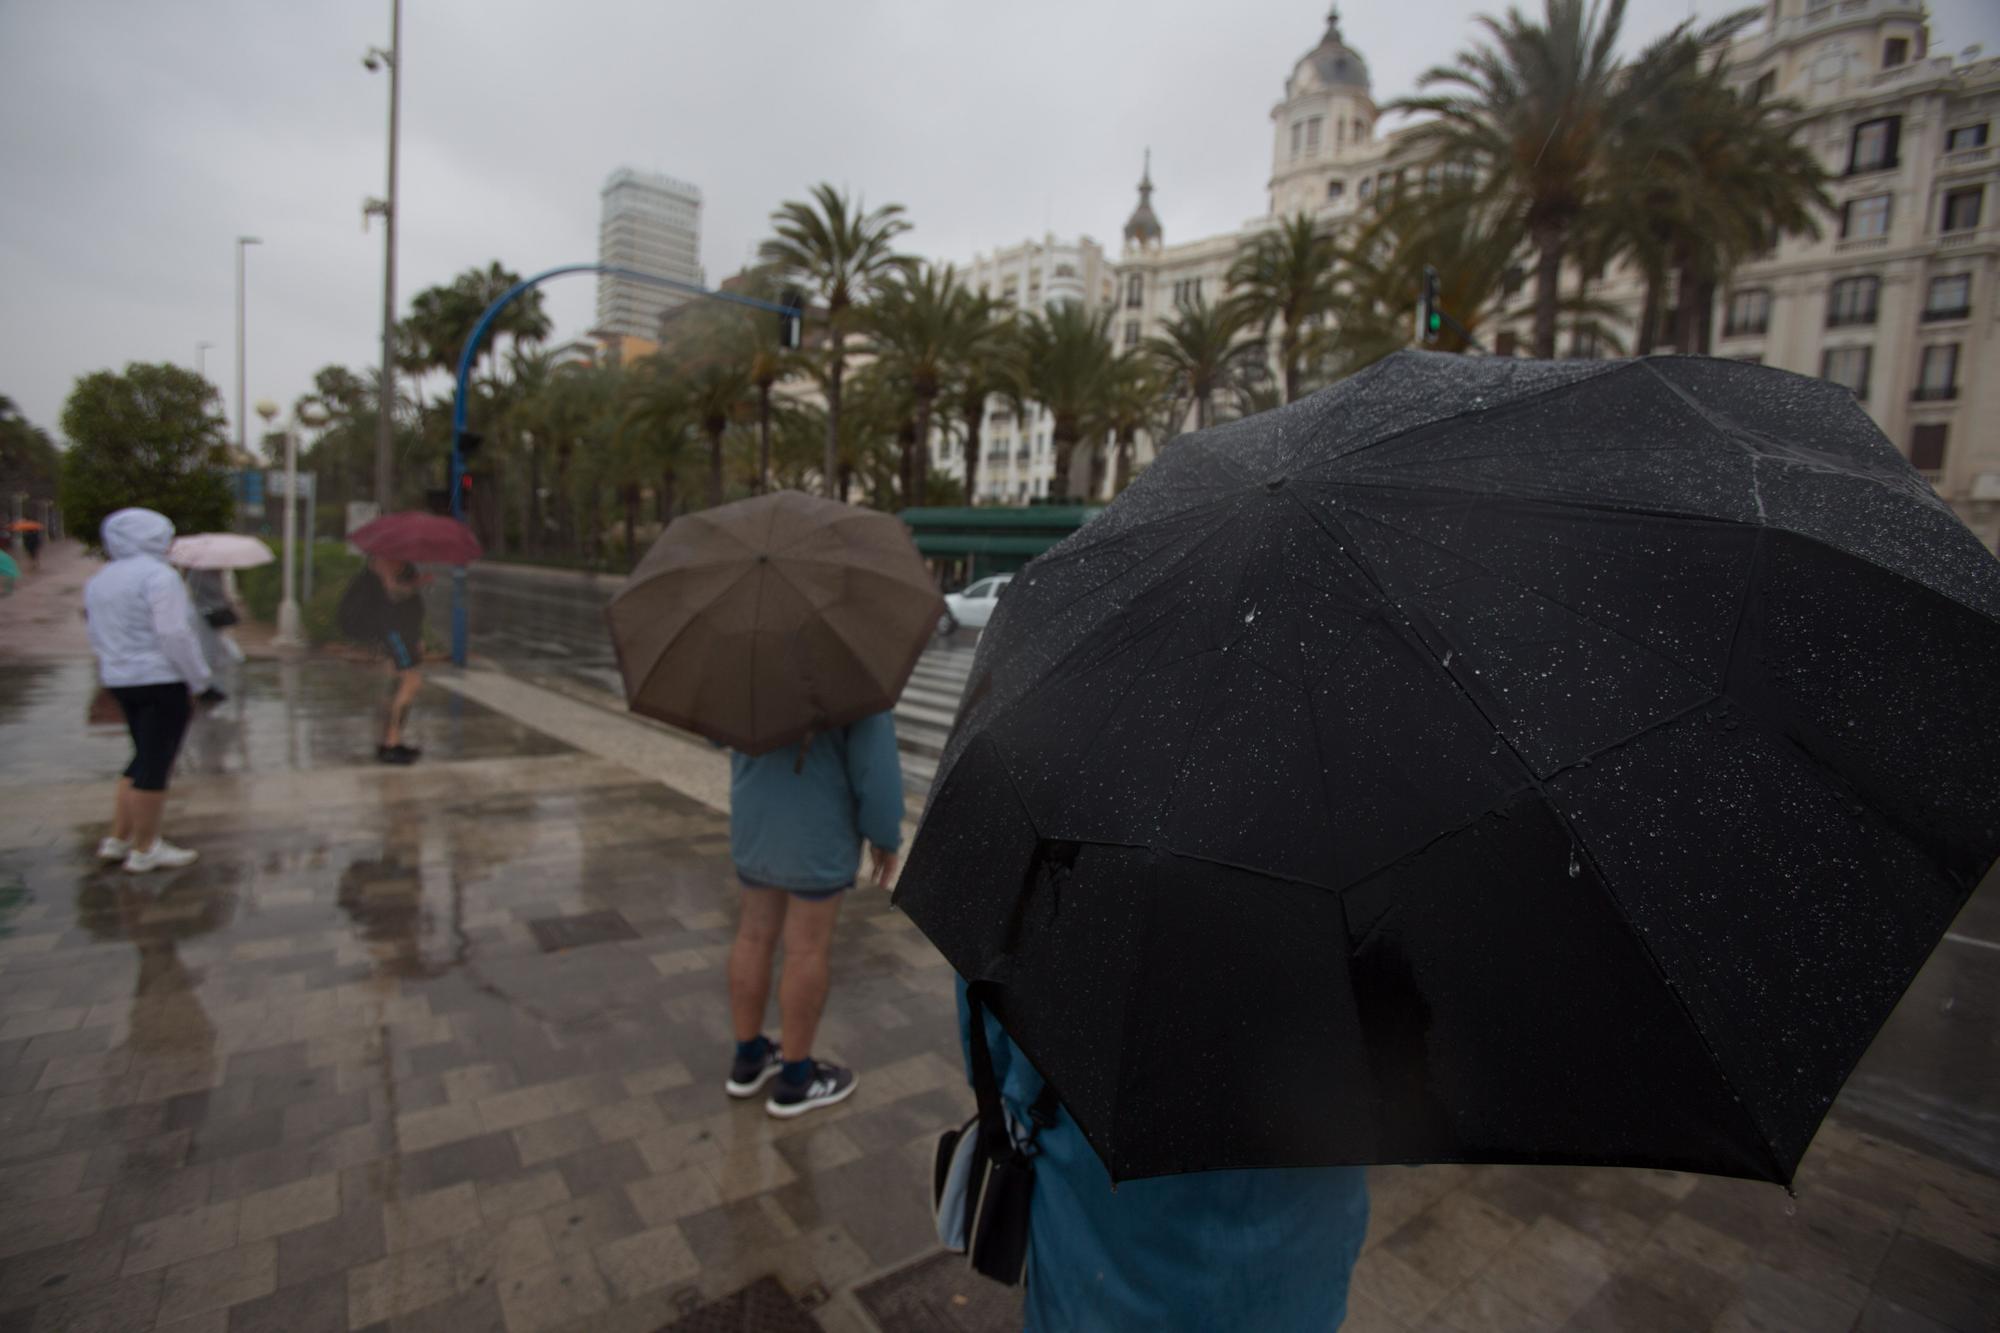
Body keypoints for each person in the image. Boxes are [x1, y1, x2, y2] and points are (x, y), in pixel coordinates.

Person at [958, 988, 1370, 1330]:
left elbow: (989, 1054)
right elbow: (1415, 1109)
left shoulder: (1051, 887)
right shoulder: (1364, 897)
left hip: (1092, 1253)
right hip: (1292, 1275)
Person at [725, 712, 903, 1117]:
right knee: (806, 950)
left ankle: (748, 1058)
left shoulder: (746, 662)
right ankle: (796, 1078)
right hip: (817, 831)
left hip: (754, 825)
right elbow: (875, 770)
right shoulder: (853, 673)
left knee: (752, 937)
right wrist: (884, 836)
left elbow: (719, 736)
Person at [84, 508, 212, 873]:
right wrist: (198, 678)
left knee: (140, 757)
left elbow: (96, 632)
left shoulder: (101, 579)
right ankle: (146, 847)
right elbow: (174, 634)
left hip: (121, 679)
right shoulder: (160, 577)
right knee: (156, 764)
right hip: (160, 679)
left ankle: (119, 837)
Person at [337, 555, 428, 764]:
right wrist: (416, 585)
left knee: (397, 684)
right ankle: (391, 744)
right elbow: (393, 594)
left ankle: (390, 740)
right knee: (411, 683)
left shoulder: (400, 561)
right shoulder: (385, 559)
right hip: (394, 630)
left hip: (401, 630)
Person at [185, 567, 237, 704]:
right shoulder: (200, 574)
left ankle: (210, 684)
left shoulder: (212, 573)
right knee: (209, 650)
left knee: (215, 650)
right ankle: (206, 686)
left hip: (211, 616)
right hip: (207, 616)